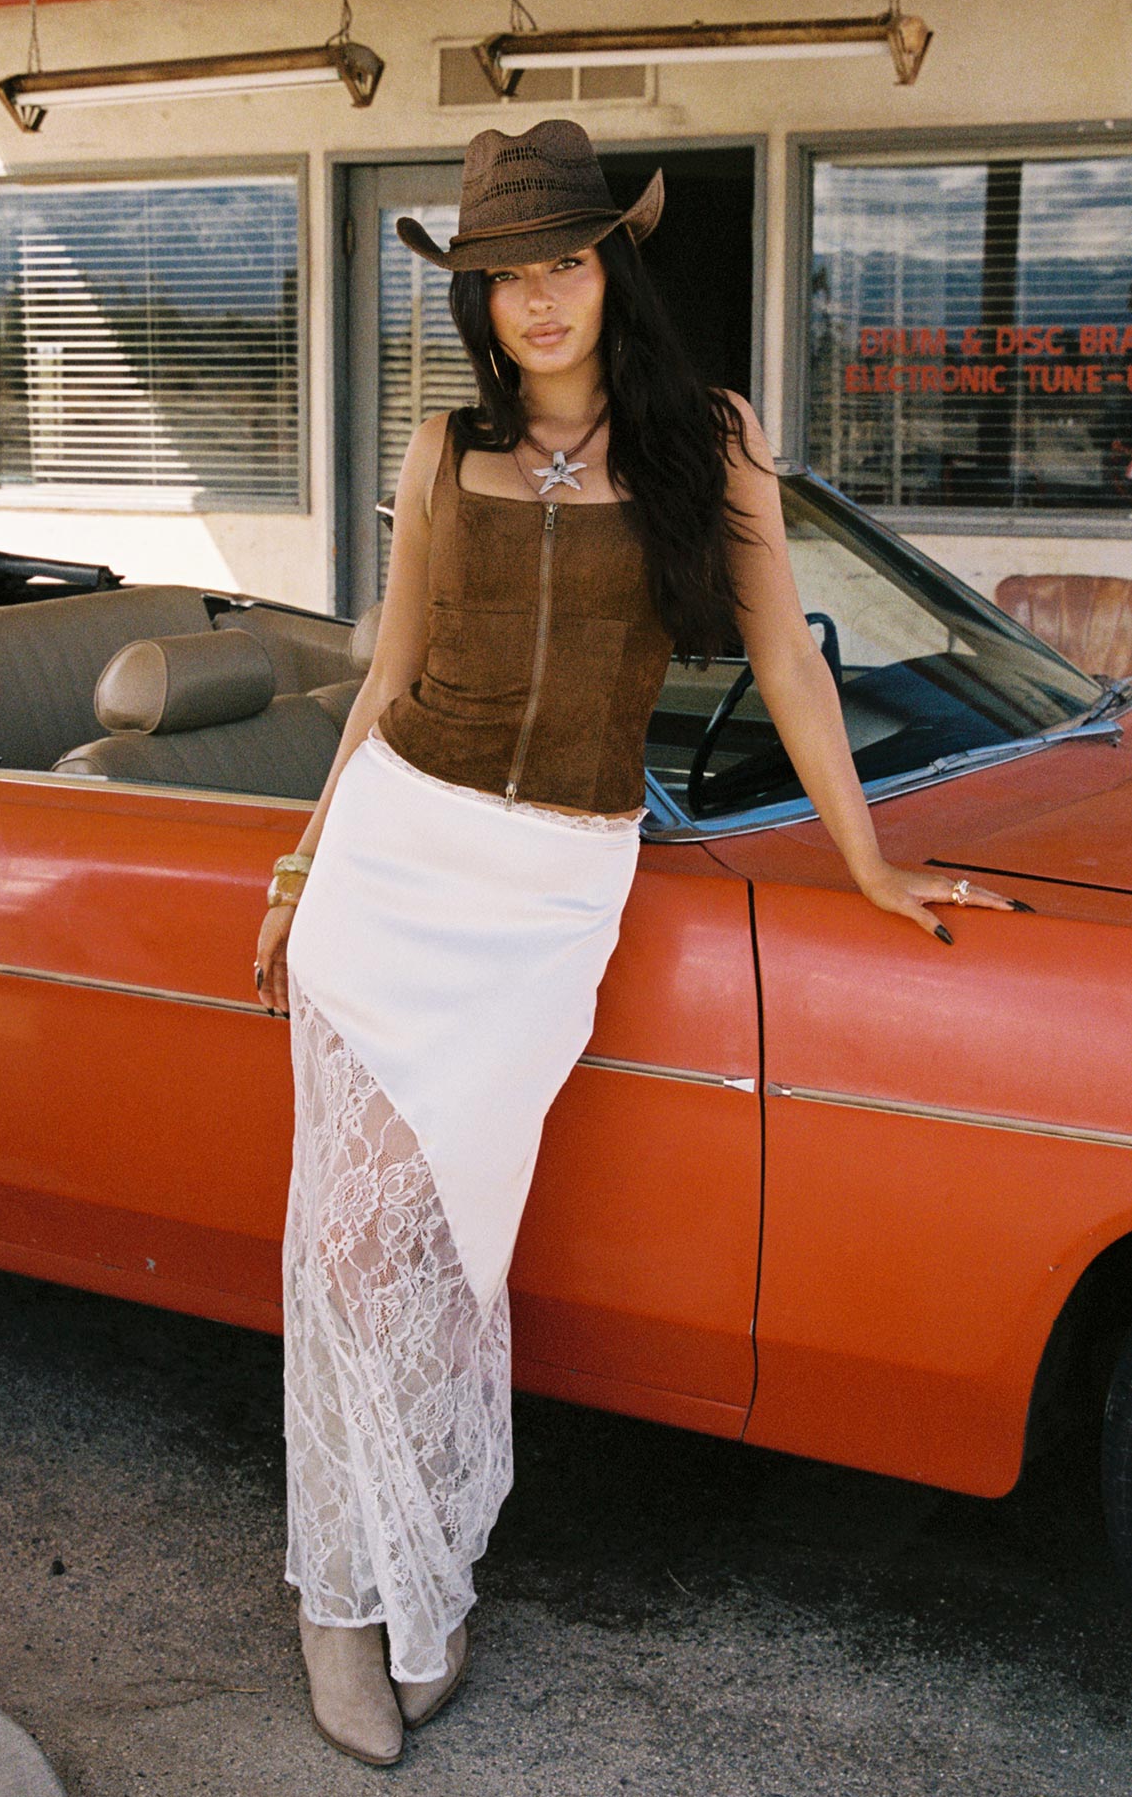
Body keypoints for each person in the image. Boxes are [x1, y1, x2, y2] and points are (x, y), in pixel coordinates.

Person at [252, 118, 1022, 1767]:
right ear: (474, 297)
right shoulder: (437, 445)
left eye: (565, 261)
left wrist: (869, 866)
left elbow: (791, 665)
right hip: (392, 869)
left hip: (544, 896)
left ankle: (430, 1570)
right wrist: (297, 868)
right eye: (506, 274)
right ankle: (339, 1595)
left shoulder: (706, 443)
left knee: (452, 1255)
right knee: (343, 1249)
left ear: (612, 268)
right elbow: (382, 680)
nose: (539, 299)